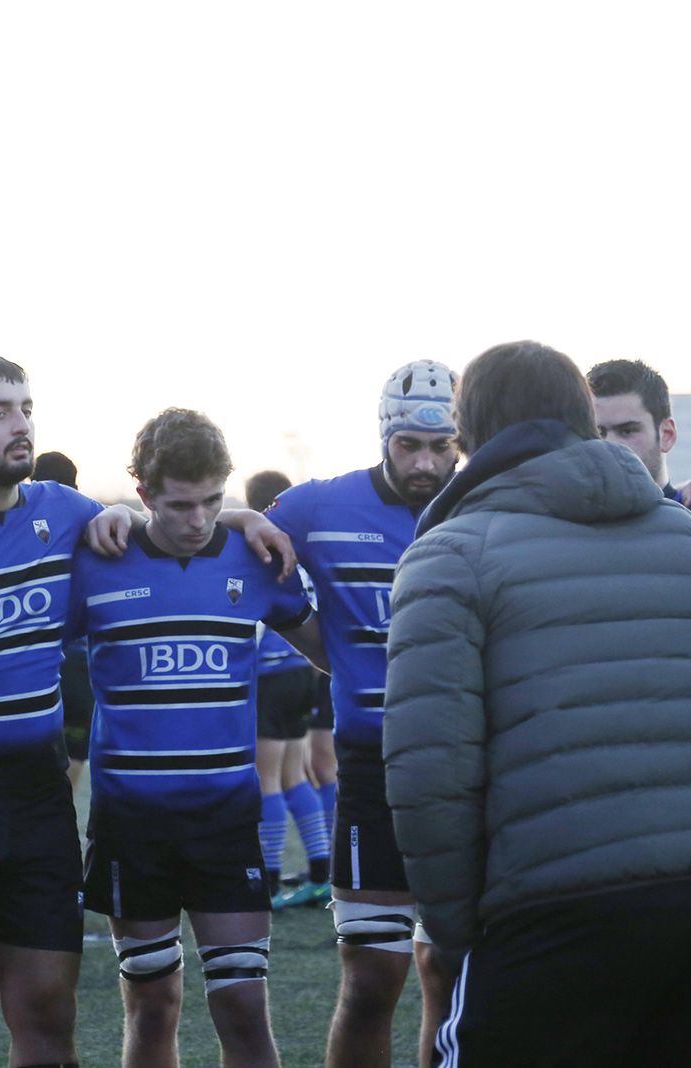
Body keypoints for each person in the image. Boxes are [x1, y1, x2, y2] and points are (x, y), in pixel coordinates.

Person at [383, 340, 691, 1067]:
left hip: (561, 900)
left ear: (470, 435)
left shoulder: (450, 554)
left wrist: (456, 931)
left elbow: (428, 768)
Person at [0, 359, 289, 1068]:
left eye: (25, 406)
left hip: (38, 794)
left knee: (49, 1012)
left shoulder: (67, 514)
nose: (21, 422)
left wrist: (238, 515)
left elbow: (173, 519)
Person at [69, 409, 325, 1068]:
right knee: (152, 1008)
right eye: (181, 505)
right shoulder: (100, 560)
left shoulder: (255, 559)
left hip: (225, 820)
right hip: (132, 823)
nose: (199, 519)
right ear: (145, 492)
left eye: (214, 501)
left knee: (243, 1007)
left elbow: (327, 651)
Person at [264, 360, 461, 1068]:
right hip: (373, 769)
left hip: (471, 770)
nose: (426, 462)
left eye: (443, 447)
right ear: (385, 435)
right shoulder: (322, 506)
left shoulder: (487, 504)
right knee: (372, 978)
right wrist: (325, 646)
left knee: (451, 972)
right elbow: (244, 547)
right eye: (410, 444)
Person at [245, 469, 332, 909]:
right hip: (305, 673)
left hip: (272, 678)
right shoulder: (300, 544)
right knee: (296, 774)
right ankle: (322, 870)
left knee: (267, 780)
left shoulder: (258, 547)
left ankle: (272, 880)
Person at [587, 357, 691, 557]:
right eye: (598, 432)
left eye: (627, 431)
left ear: (667, 435)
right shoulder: (561, 526)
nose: (611, 445)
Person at [33, 449, 98, 792]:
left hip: (41, 657)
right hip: (83, 660)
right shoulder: (93, 524)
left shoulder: (25, 530)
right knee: (72, 755)